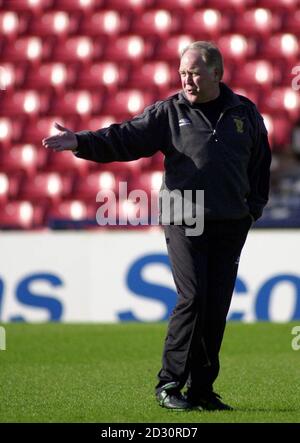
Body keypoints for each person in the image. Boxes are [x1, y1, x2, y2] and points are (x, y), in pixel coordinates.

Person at [42, 41, 271, 411]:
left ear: (217, 73)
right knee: (193, 297)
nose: (187, 81)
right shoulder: (169, 112)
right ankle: (169, 384)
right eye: (183, 73)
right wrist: (79, 141)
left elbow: (261, 164)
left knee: (215, 307)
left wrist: (253, 209)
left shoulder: (245, 112)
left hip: (231, 222)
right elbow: (125, 138)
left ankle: (202, 390)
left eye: (194, 72)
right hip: (185, 217)